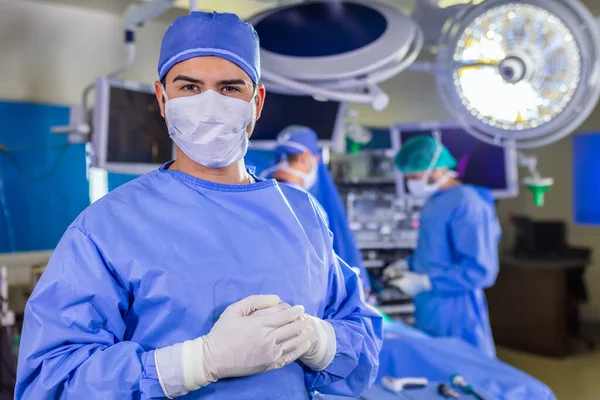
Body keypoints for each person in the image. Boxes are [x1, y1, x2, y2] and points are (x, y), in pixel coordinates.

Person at [15, 12, 382, 400]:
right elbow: (49, 382)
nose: (209, 105)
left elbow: (360, 341)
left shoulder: (301, 214)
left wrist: (318, 340)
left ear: (256, 101)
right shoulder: (106, 227)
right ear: (162, 97)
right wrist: (196, 362)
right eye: (190, 87)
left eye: (229, 88)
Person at [385, 135, 501, 358]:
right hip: (430, 306)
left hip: (457, 309)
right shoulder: (435, 201)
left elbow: (481, 271)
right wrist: (405, 265)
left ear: (437, 170)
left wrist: (427, 282)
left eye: (415, 176)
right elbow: (435, 251)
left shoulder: (468, 203)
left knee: (463, 373)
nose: (411, 183)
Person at [262, 126, 371, 292]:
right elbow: (320, 264)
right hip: (296, 296)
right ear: (306, 156)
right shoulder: (307, 205)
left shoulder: (257, 193)